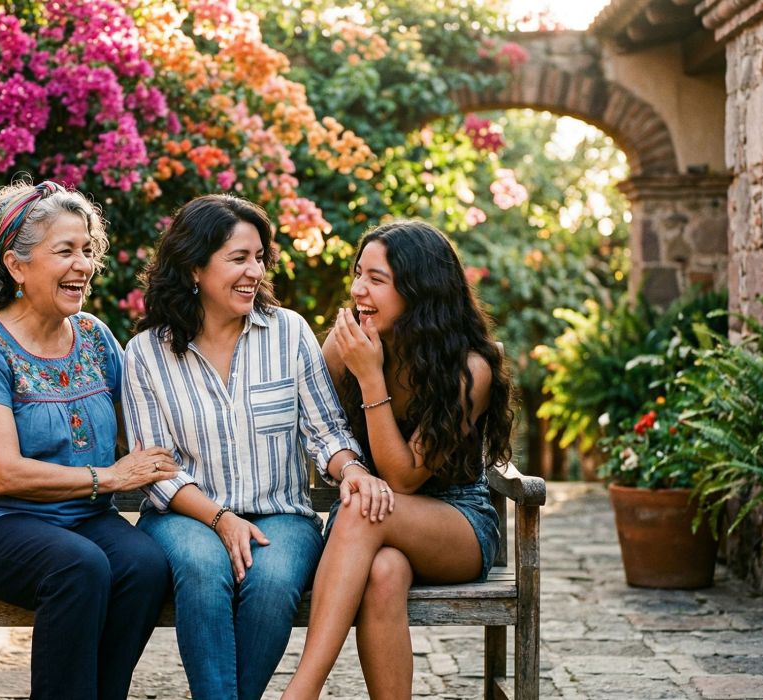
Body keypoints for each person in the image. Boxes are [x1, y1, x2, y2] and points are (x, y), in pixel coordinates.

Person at [122, 194, 391, 700]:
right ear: (195, 267)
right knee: (203, 570)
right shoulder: (145, 353)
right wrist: (222, 519)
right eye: (238, 258)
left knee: (270, 583)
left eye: (259, 258)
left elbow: (325, 430)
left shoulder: (287, 332)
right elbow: (157, 467)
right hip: (187, 516)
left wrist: (350, 468)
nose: (254, 271)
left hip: (282, 516)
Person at [0, 180, 178, 700]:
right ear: (16, 266)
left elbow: (147, 414)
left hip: (79, 519)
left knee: (145, 564)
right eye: (64, 250)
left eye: (87, 249)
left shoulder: (93, 335)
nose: (83, 264)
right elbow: (2, 472)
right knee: (79, 566)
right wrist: (109, 477)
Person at [281, 220, 515, 700]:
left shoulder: (469, 368)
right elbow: (310, 422)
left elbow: (402, 479)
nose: (357, 289)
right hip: (376, 527)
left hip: (456, 525)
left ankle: (300, 693)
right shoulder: (347, 345)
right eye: (357, 273)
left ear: (418, 291)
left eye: (376, 279)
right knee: (383, 571)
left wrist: (371, 379)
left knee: (363, 506)